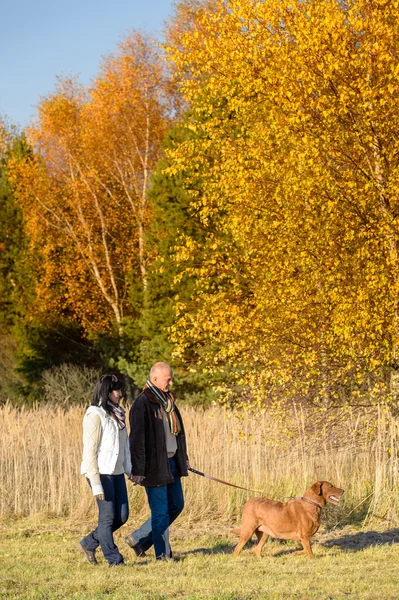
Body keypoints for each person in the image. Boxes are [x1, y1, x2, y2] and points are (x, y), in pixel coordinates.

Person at [125, 362, 189, 560]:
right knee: (160, 512)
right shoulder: (142, 403)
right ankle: (163, 555)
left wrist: (183, 458)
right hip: (154, 465)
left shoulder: (168, 401)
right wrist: (138, 468)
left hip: (172, 462)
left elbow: (179, 434)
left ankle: (139, 539)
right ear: (155, 380)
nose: (171, 382)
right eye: (167, 379)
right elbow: (136, 439)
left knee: (177, 505)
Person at [79, 374, 132, 567]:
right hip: (101, 472)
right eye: (117, 390)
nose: (120, 393)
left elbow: (124, 446)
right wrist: (95, 483)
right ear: (106, 392)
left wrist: (129, 469)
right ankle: (115, 560)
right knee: (107, 518)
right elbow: (90, 451)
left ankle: (89, 543)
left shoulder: (118, 414)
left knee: (122, 516)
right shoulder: (95, 415)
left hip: (116, 472)